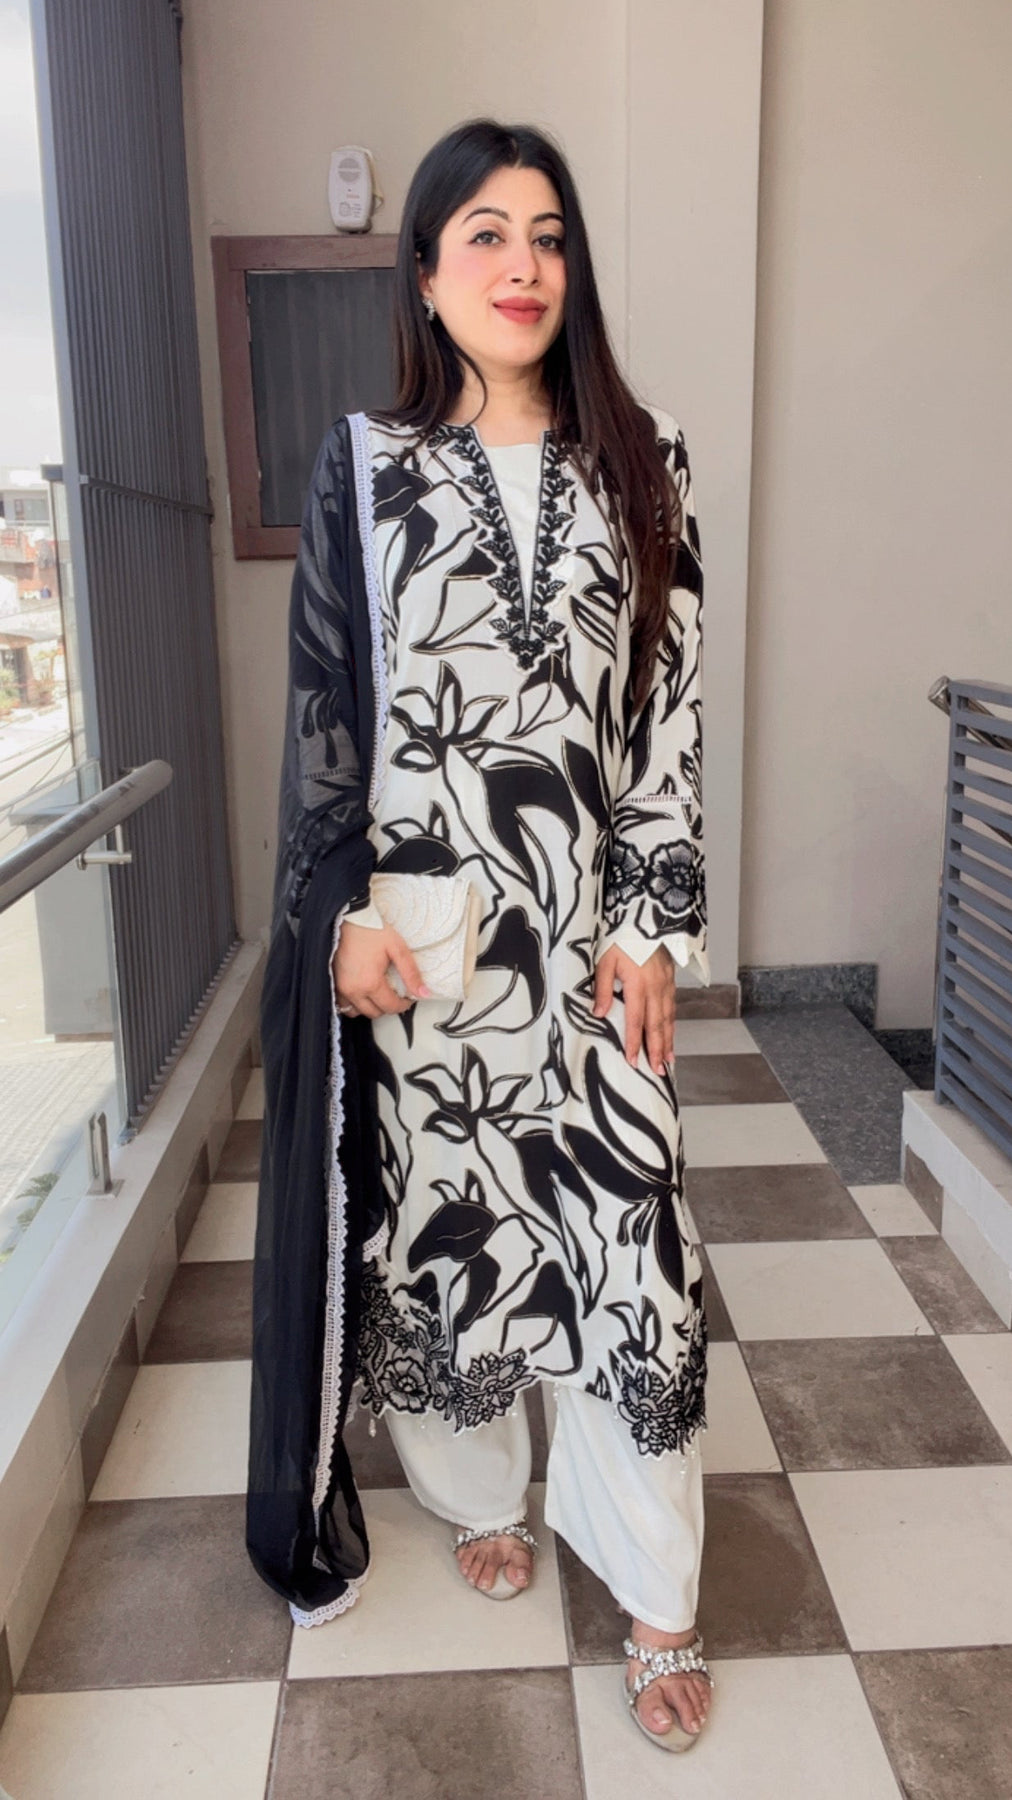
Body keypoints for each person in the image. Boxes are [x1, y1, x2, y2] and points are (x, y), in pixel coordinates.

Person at [248, 117, 714, 1753]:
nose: (525, 267)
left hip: (588, 954)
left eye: (550, 236)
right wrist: (340, 920)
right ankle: (477, 1491)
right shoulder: (365, 466)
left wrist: (655, 931)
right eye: (489, 236)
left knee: (634, 1263)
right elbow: (324, 714)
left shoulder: (645, 459)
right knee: (450, 1239)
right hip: (429, 957)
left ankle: (660, 1593)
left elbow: (667, 721)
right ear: (429, 272)